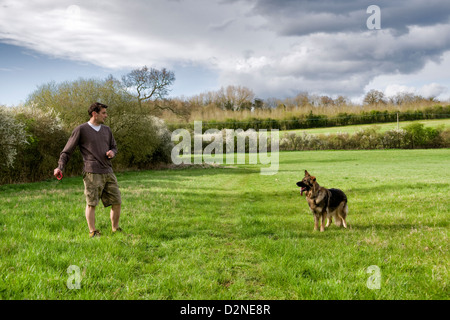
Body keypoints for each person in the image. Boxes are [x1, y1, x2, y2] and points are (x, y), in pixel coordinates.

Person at [54, 102, 122, 238]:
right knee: (92, 203)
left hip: (108, 171)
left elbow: (114, 147)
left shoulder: (107, 130)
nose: (106, 115)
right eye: (103, 113)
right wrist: (60, 167)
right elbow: (67, 151)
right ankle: (93, 231)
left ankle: (115, 229)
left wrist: (112, 153)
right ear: (94, 114)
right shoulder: (81, 129)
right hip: (92, 172)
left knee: (117, 201)